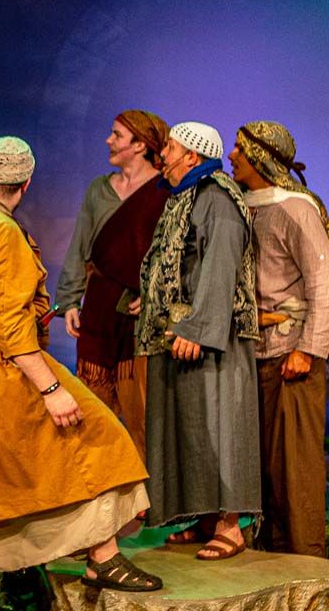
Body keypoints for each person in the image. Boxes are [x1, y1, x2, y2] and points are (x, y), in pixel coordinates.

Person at [0, 137, 161, 609]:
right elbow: (9, 322)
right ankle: (103, 555)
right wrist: (50, 388)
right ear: (25, 184)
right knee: (96, 438)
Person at [137, 121, 261, 560]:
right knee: (190, 429)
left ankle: (230, 527)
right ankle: (205, 518)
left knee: (219, 428)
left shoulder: (217, 198)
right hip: (181, 331)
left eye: (169, 149)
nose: (162, 156)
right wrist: (151, 300)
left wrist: (199, 329)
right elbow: (175, 261)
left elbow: (221, 266)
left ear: (192, 156)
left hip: (212, 337)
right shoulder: (183, 196)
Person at [228, 120, 328, 557]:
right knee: (267, 466)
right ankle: (273, 558)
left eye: (239, 148)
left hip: (291, 351)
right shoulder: (245, 206)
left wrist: (308, 349)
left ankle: (308, 565)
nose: (232, 155)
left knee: (295, 466)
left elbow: (322, 282)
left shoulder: (295, 209)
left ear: (260, 157)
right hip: (255, 352)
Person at [55, 111, 170, 457]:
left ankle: (146, 483)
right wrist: (69, 300)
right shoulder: (99, 190)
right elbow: (79, 245)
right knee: (94, 407)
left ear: (140, 145)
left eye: (117, 135)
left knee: (141, 411)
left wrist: (155, 294)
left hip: (138, 315)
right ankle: (100, 481)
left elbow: (174, 253)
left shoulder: (165, 191)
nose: (109, 140)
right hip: (100, 307)